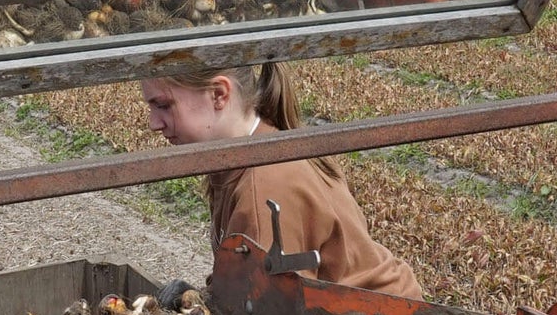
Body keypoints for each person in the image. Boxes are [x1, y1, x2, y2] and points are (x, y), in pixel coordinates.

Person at [141, 62, 425, 299]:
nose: (154, 122)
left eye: (164, 105)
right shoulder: (248, 155)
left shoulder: (264, 187)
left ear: (218, 94)